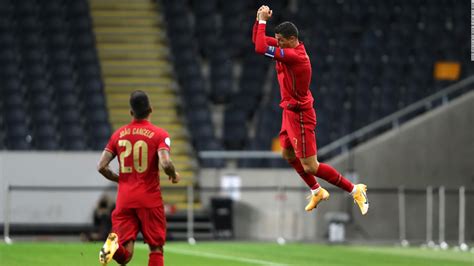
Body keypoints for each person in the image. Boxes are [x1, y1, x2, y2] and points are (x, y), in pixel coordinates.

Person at [253, 5, 369, 214]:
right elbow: (258, 43)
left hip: (300, 116)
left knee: (311, 166)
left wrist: (263, 22)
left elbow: (262, 48)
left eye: (280, 40)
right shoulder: (286, 49)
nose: (277, 43)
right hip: (288, 111)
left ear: (291, 39)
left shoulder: (296, 57)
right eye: (276, 40)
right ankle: (316, 190)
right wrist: (258, 20)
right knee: (288, 154)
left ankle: (355, 190)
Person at [96, 90, 180, 266]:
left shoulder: (118, 135)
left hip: (125, 199)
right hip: (149, 199)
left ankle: (111, 246)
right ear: (151, 109)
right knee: (156, 248)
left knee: (125, 256)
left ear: (131, 113)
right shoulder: (160, 135)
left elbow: (101, 166)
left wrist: (123, 180)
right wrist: (173, 174)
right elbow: (165, 163)